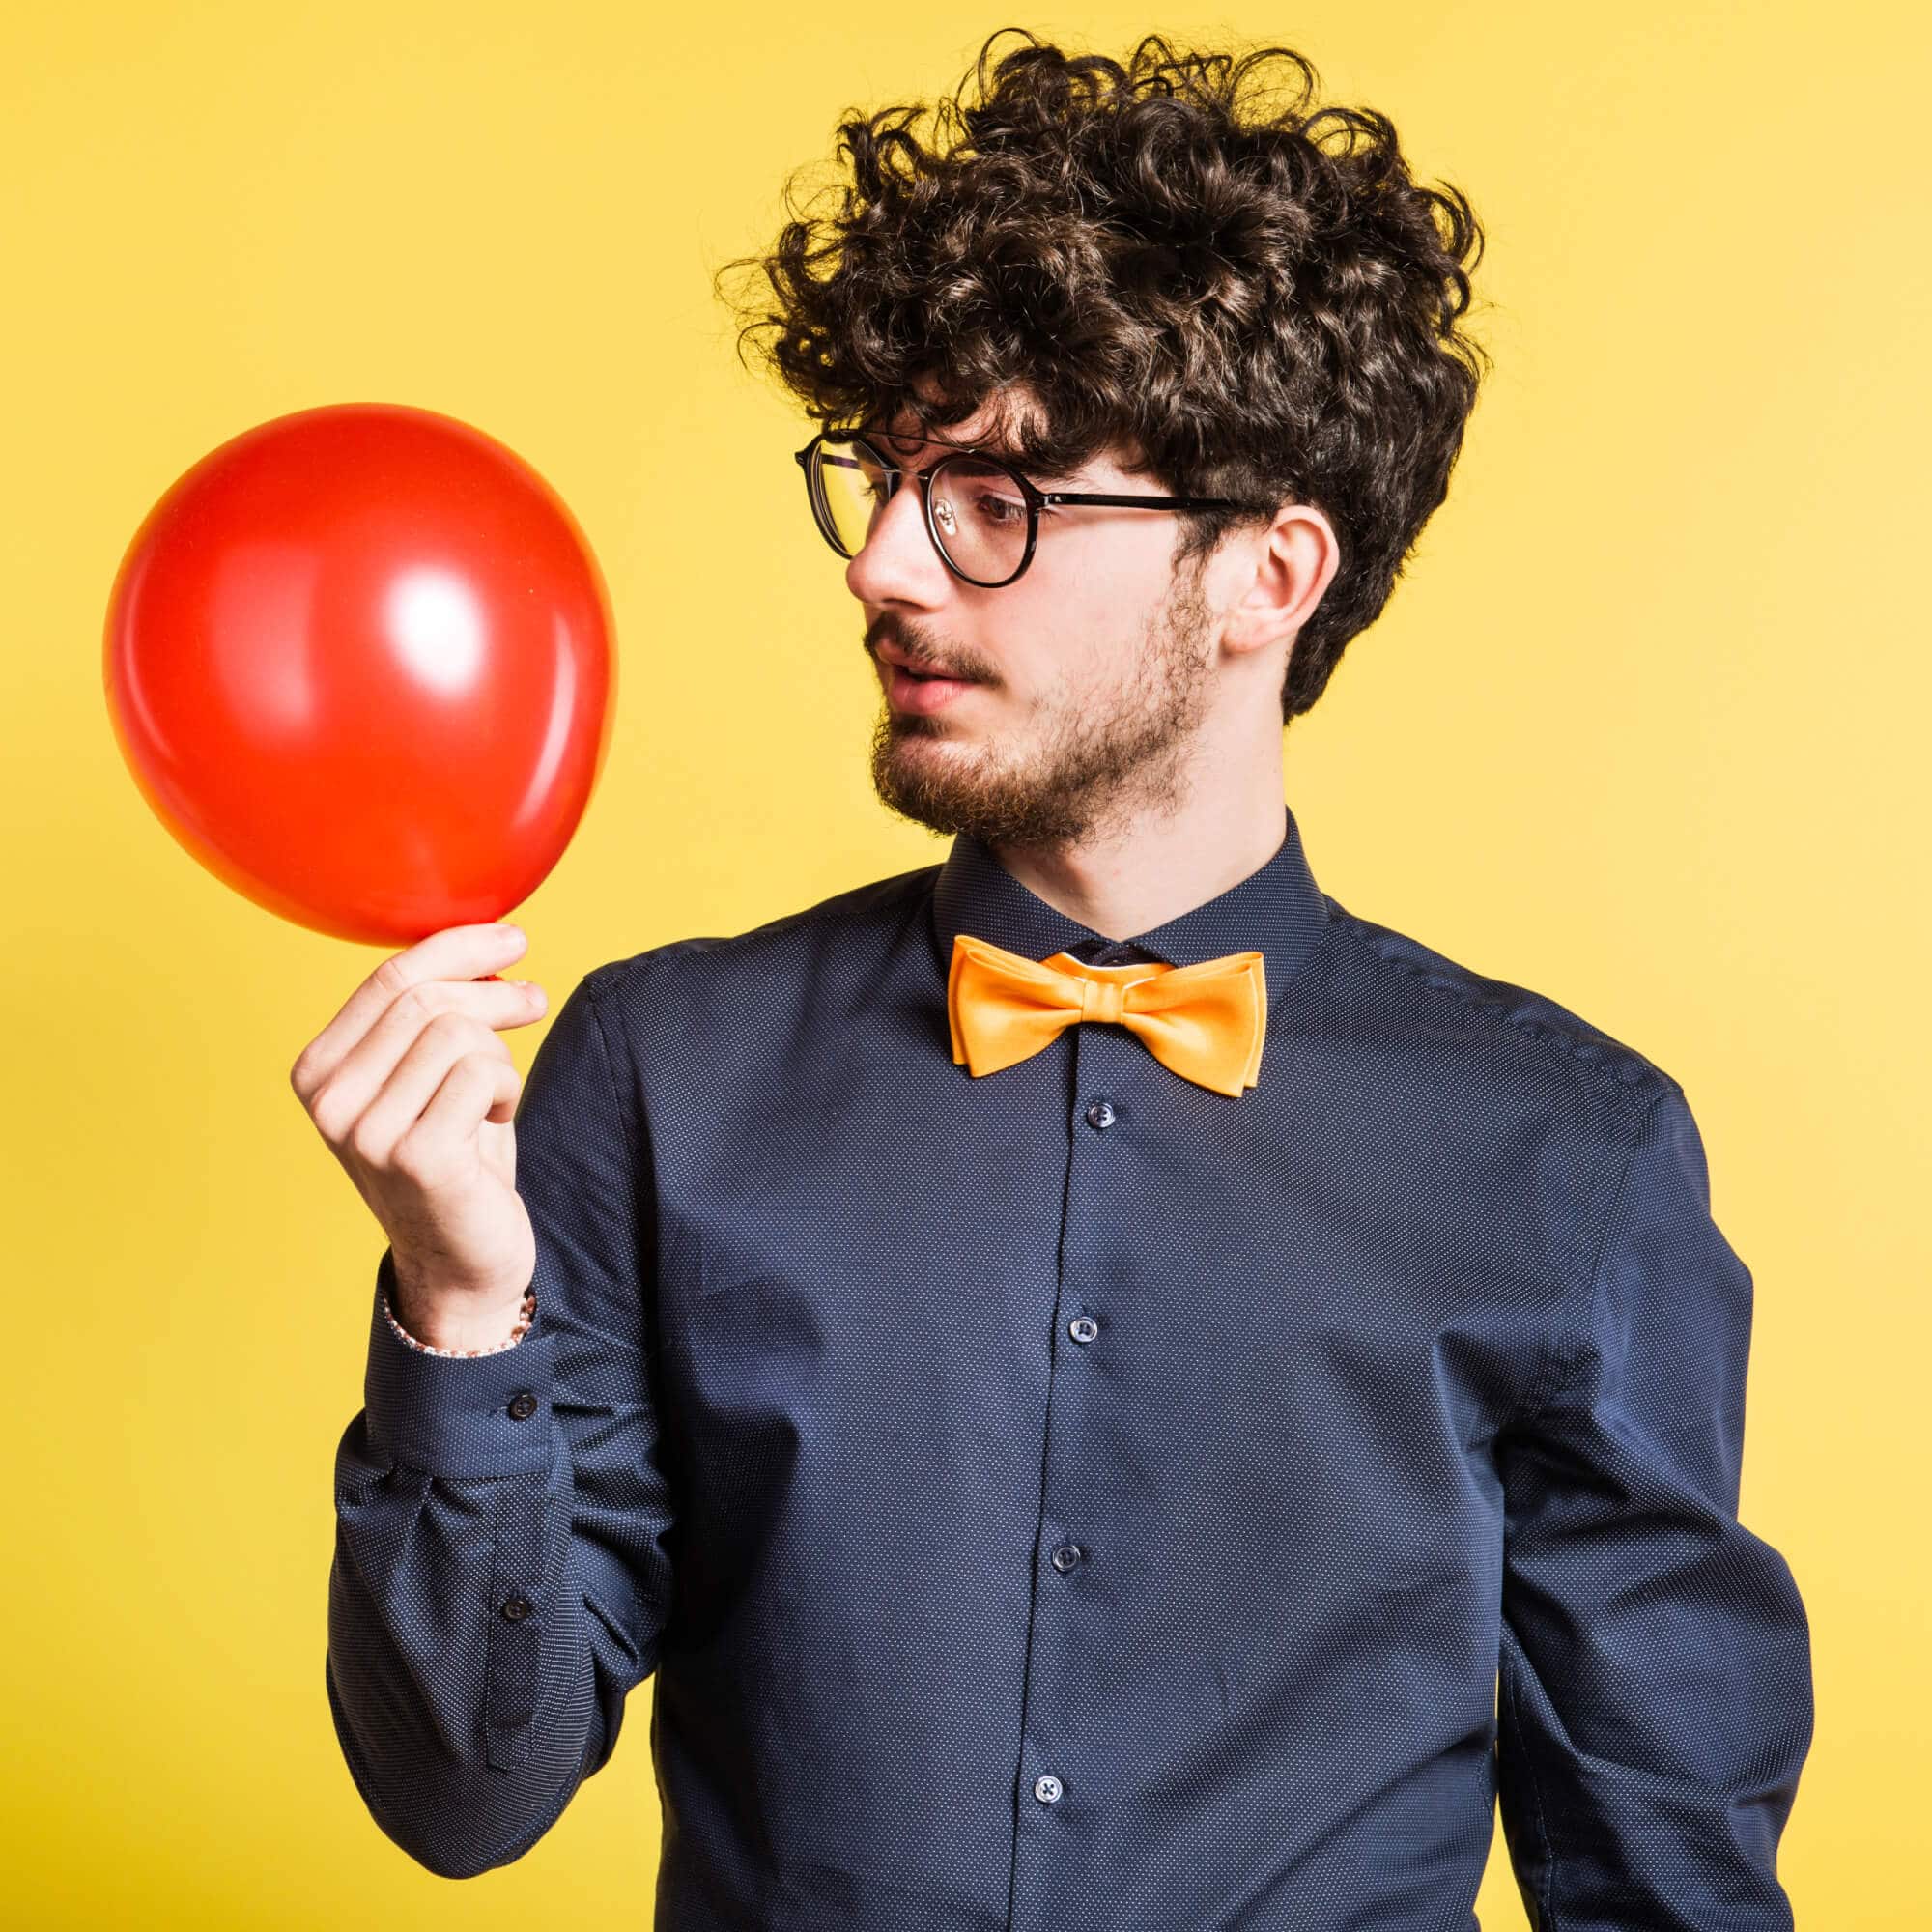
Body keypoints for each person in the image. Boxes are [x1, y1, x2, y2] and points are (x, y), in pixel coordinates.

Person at [306, 29, 1814, 1928]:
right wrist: (459, 1306)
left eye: (998, 495)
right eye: (883, 478)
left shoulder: (1571, 1152)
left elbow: (1667, 1875)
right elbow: (465, 1792)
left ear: (1267, 574)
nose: (882, 565)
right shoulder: (661, 1065)